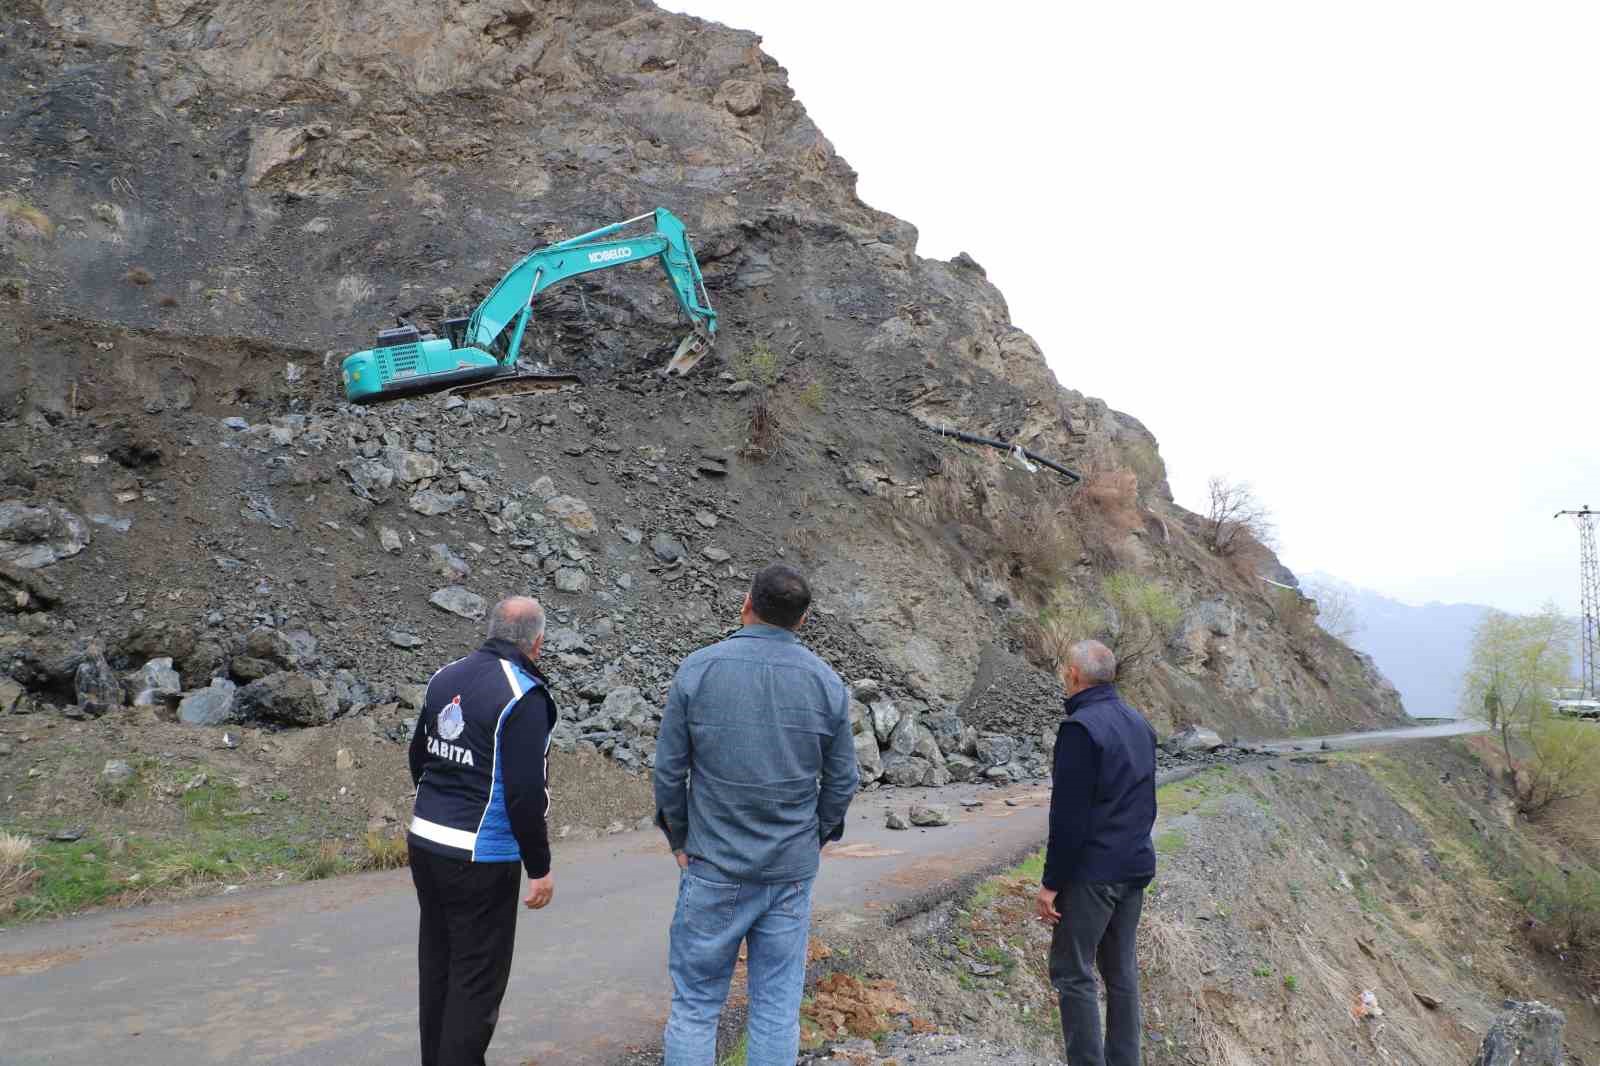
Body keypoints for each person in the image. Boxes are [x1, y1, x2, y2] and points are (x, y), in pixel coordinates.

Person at [654, 563, 860, 1066]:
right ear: (803, 619)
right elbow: (843, 780)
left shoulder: (699, 669)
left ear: (747, 602)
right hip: (788, 870)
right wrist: (813, 837)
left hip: (713, 865)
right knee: (775, 1007)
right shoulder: (825, 682)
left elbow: (668, 770)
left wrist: (679, 838)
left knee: (697, 1007)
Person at [407, 596, 558, 1066]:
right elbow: (525, 792)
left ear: (489, 628)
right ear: (538, 642)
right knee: (477, 981)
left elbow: (419, 756)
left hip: (426, 840)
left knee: (439, 966)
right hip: (480, 855)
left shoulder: (445, 676)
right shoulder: (524, 694)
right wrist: (540, 866)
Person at [1035, 640, 1158, 1066]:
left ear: (1072, 674)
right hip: (1134, 866)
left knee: (1073, 972)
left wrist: (1051, 883)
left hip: (1093, 874)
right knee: (1121, 973)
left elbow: (1068, 818)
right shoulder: (1138, 723)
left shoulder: (1080, 729)